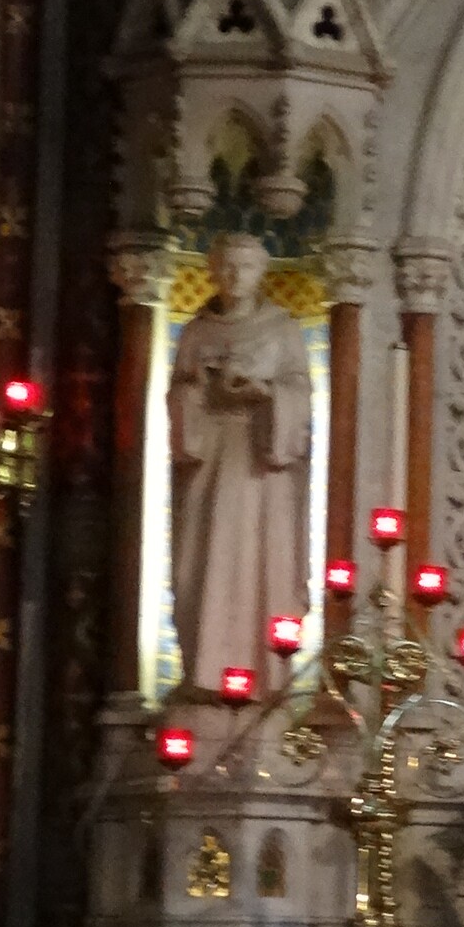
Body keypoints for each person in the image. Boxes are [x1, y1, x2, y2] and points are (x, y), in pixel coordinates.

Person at [168, 234, 314, 697]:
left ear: (261, 273)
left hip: (262, 466)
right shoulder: (196, 332)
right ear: (212, 271)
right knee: (201, 563)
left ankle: (265, 678)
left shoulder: (283, 329)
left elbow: (300, 394)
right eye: (227, 266)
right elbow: (178, 395)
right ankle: (203, 674)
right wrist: (200, 388)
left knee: (263, 560)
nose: (236, 276)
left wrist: (265, 393)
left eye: (246, 267)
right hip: (209, 459)